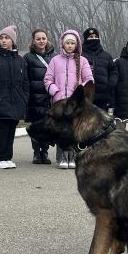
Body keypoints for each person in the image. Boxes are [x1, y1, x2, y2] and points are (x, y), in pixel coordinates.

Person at [44, 29, 94, 169]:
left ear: (77, 44)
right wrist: (55, 91)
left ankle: (73, 157)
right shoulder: (55, 60)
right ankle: (61, 158)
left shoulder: (82, 61)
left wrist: (80, 92)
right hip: (60, 102)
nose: (70, 45)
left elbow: (89, 79)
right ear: (63, 44)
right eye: (68, 43)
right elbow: (48, 80)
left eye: (73, 43)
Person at [0, 25, 29, 169]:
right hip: (0, 102)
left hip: (16, 102)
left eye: (7, 38)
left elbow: (25, 82)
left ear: (13, 41)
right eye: (1, 38)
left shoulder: (20, 60)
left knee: (11, 130)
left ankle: (8, 157)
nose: (3, 40)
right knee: (2, 129)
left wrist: (24, 98)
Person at [23, 28, 56, 164]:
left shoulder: (55, 57)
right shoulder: (28, 57)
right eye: (38, 39)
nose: (41, 41)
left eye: (43, 38)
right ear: (33, 41)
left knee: (48, 127)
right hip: (34, 97)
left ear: (47, 39)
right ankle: (37, 153)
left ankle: (45, 152)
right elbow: (25, 78)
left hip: (49, 98)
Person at [81, 27, 117, 113]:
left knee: (101, 124)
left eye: (95, 36)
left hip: (102, 98)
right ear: (86, 39)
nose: (93, 39)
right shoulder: (80, 55)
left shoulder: (106, 56)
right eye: (90, 37)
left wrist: (110, 84)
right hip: (85, 97)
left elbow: (113, 72)